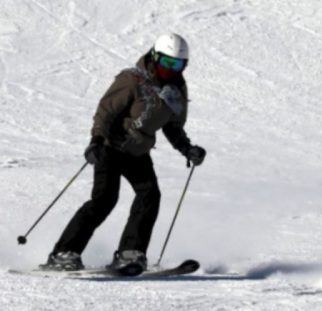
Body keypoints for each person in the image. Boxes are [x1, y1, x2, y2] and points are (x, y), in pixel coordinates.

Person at [41, 33, 207, 271]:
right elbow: (105, 111)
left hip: (137, 152)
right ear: (154, 56)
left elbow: (171, 125)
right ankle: (63, 253)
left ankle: (131, 253)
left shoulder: (176, 89)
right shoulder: (132, 80)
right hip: (110, 147)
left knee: (149, 195)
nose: (171, 69)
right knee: (104, 200)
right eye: (167, 62)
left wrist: (187, 148)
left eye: (178, 64)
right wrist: (96, 141)